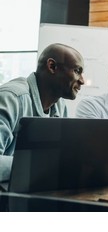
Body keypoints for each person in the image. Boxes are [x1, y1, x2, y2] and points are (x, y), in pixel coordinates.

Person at [0, 43, 85, 182]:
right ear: (52, 66)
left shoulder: (60, 105)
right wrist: (37, 167)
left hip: (34, 189)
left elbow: (58, 157)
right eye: (77, 71)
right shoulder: (11, 98)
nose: (82, 81)